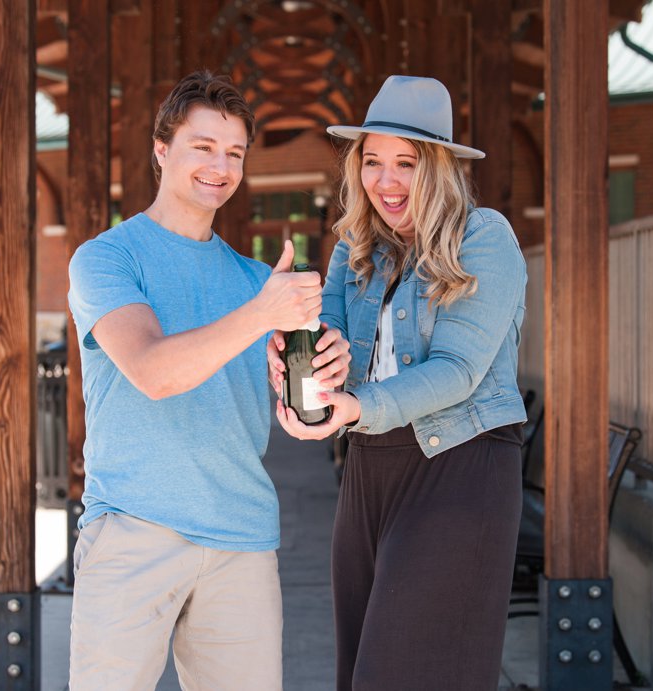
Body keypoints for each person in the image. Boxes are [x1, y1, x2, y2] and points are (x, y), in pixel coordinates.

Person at [66, 70, 349, 691]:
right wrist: (261, 313)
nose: (220, 167)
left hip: (241, 541)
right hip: (134, 531)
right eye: (203, 147)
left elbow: (305, 406)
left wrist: (327, 368)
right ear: (161, 150)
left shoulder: (256, 280)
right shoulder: (108, 258)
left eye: (235, 153)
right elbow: (152, 371)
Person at [268, 75, 528, 691]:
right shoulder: (354, 251)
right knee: (360, 669)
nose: (386, 181)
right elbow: (331, 347)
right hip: (369, 470)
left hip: (460, 469)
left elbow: (458, 370)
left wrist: (357, 405)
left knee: (402, 674)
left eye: (405, 163)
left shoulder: (483, 237)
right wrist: (295, 351)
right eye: (372, 161)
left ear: (438, 167)